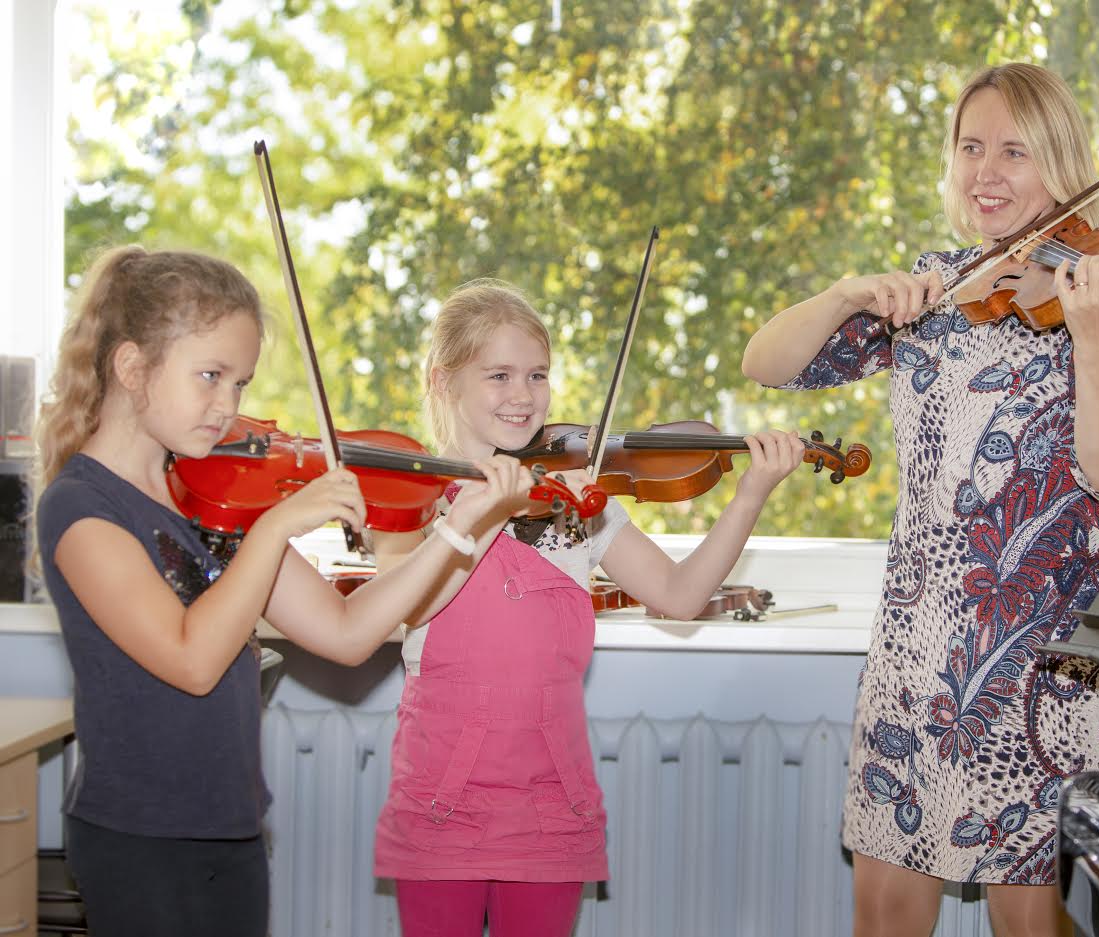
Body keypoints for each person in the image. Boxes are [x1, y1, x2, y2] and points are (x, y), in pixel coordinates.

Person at [741, 63, 1099, 937]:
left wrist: (1093, 340)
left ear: (1064, 162)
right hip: (915, 640)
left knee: (1025, 919)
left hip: (1040, 656)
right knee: (884, 914)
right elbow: (765, 363)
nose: (986, 171)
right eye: (971, 148)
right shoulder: (935, 287)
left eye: (1015, 150)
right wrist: (847, 293)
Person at [33, 246, 535, 937]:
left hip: (229, 825)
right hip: (139, 836)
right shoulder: (82, 508)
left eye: (239, 383)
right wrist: (276, 529)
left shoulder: (211, 499)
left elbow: (349, 632)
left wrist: (457, 531)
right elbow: (192, 659)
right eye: (210, 376)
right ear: (131, 367)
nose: (228, 406)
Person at [371, 278, 806, 937]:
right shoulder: (413, 497)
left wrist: (749, 497)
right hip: (440, 802)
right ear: (444, 379)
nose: (523, 395)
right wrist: (488, 509)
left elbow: (680, 596)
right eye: (499, 375)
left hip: (551, 807)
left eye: (537, 374)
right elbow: (409, 604)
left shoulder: (574, 501)